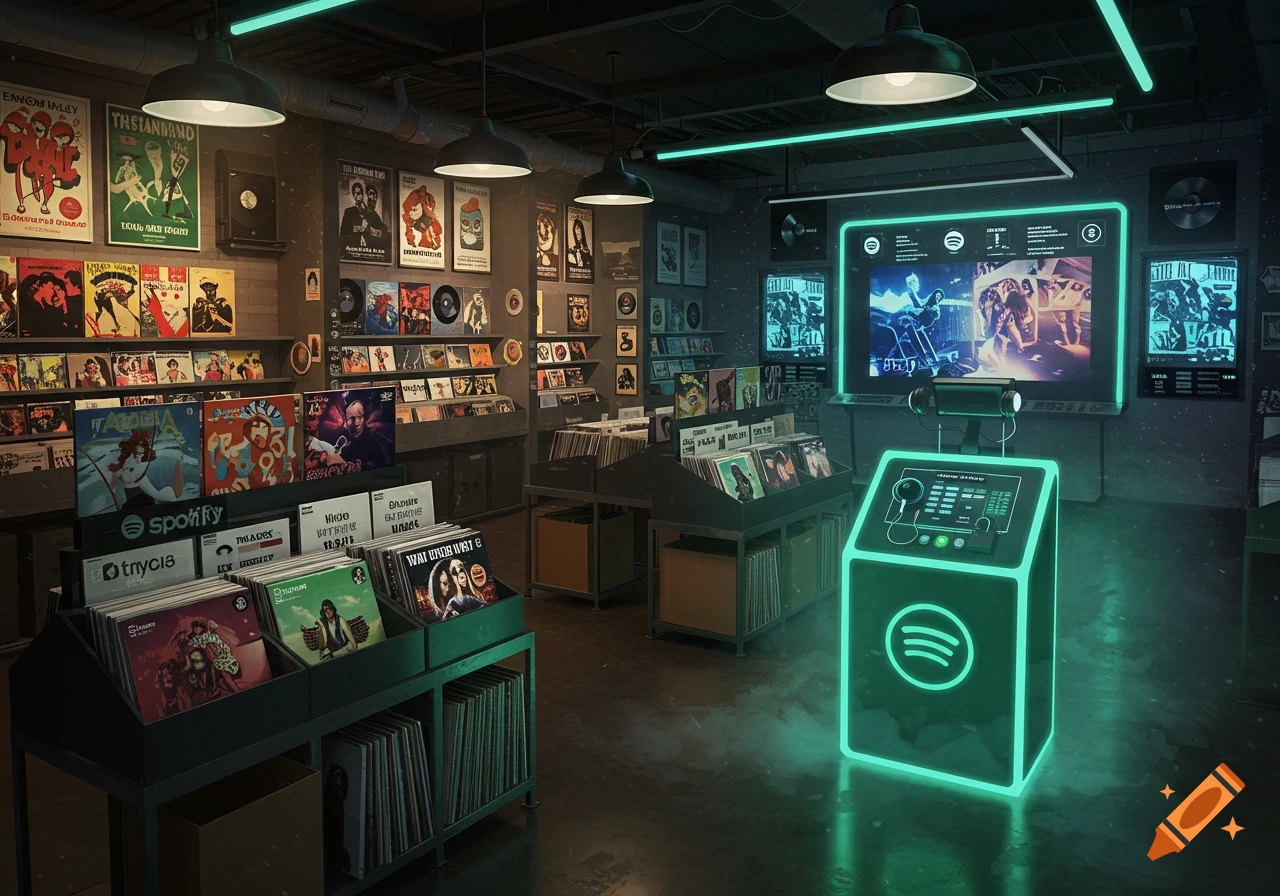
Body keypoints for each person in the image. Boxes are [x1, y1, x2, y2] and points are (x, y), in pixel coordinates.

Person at [106, 429, 182, 510]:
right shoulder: (123, 466)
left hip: (144, 505)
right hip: (129, 506)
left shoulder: (142, 470)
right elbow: (112, 487)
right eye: (134, 453)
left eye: (141, 454)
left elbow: (155, 494)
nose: (137, 457)